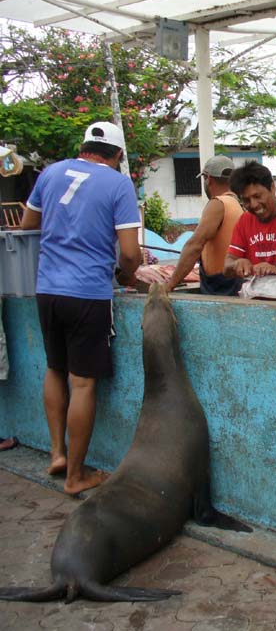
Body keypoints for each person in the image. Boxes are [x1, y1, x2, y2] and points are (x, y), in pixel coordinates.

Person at [19, 121, 142, 495]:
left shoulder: (51, 173)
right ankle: (76, 476)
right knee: (83, 382)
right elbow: (132, 253)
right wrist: (126, 273)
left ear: (84, 146)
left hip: (47, 290)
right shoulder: (118, 184)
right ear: (118, 155)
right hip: (88, 293)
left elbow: (27, 225)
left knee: (55, 369)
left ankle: (57, 454)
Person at [165, 155, 243, 295]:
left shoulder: (218, 203)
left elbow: (194, 245)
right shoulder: (236, 203)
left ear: (208, 179)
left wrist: (170, 285)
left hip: (221, 286)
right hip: (232, 282)